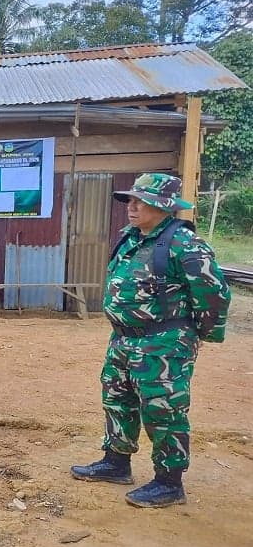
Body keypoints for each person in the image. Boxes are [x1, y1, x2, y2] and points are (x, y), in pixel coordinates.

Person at [71, 173, 230, 508]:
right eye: (130, 200)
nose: (131, 206)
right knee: (117, 400)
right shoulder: (130, 238)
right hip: (123, 340)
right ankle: (116, 462)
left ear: (164, 205)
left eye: (140, 201)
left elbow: (214, 294)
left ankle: (169, 482)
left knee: (163, 409)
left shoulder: (185, 244)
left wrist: (199, 336)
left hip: (164, 343)